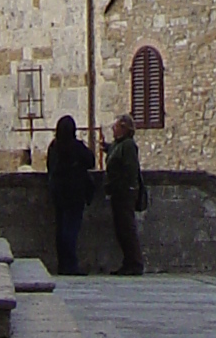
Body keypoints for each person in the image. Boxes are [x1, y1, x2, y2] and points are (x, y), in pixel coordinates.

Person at [43, 113, 96, 275]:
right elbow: (91, 161)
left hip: (58, 192)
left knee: (61, 229)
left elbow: (49, 167)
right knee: (71, 229)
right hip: (75, 193)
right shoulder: (76, 147)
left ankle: (62, 264)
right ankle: (71, 265)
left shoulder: (54, 147)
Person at [105, 112, 147, 273]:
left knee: (127, 229)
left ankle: (134, 263)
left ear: (123, 128)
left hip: (124, 193)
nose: (113, 130)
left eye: (115, 127)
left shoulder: (128, 145)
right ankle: (128, 262)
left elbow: (130, 170)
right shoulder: (119, 144)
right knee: (121, 229)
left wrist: (127, 188)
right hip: (117, 192)